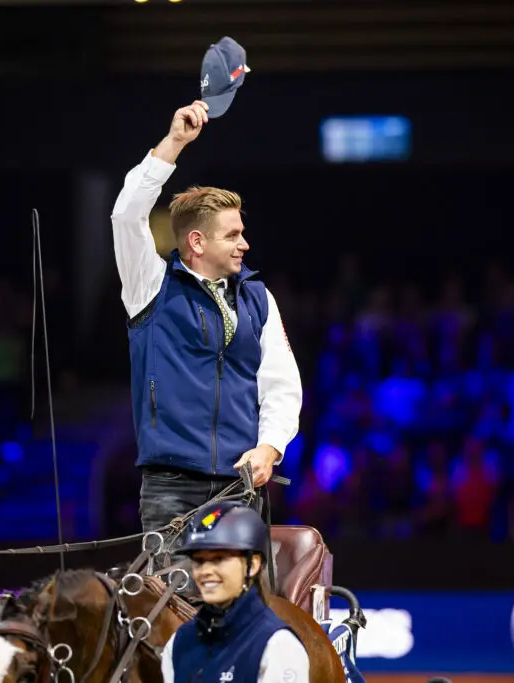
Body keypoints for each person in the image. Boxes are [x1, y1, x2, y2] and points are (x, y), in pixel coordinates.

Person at [110, 100, 303, 552]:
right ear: (197, 241)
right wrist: (174, 142)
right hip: (170, 490)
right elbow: (125, 215)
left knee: (240, 618)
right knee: (171, 617)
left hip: (240, 489)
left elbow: (281, 385)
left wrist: (270, 448)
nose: (245, 243)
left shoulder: (258, 296)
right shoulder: (150, 285)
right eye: (232, 235)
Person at [160, 500, 309, 683]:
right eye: (199, 561)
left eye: (219, 559)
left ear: (252, 565)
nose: (205, 571)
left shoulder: (278, 646)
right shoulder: (178, 642)